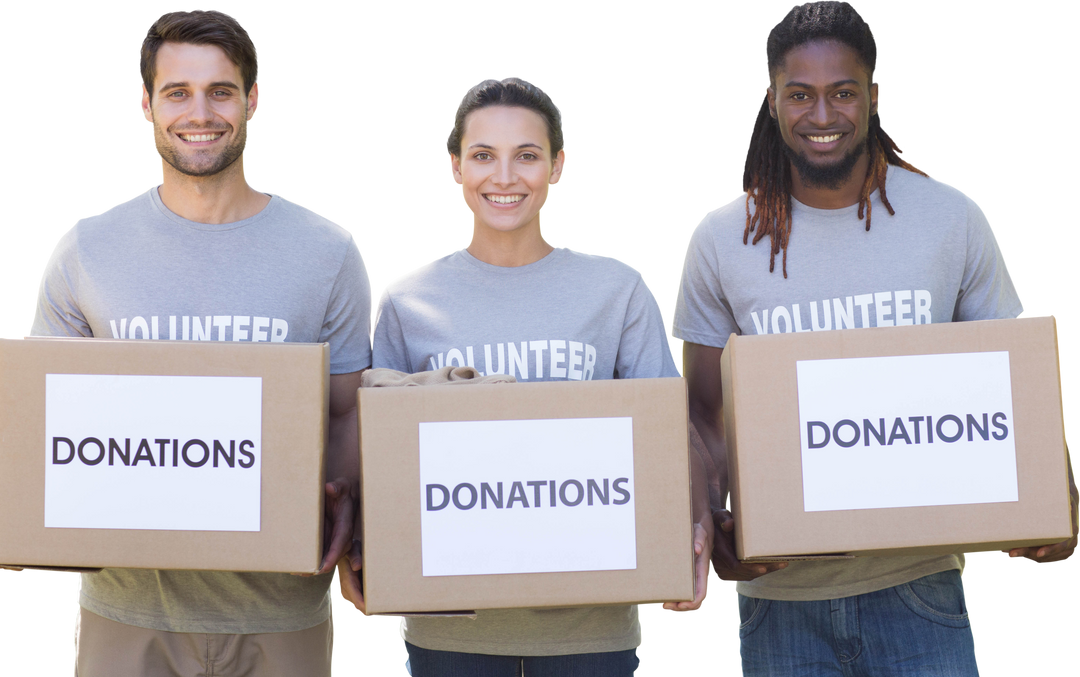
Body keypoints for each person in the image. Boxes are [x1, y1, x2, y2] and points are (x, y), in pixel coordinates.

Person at [670, 1, 1079, 675]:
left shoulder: (950, 218)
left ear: (875, 97)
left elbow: (1019, 381)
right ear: (771, 101)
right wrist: (712, 524)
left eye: (843, 93)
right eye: (800, 95)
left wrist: (1057, 497)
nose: (822, 116)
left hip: (919, 587)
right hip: (780, 598)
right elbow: (701, 415)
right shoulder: (721, 238)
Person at [28, 8, 370, 676]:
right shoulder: (87, 248)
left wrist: (355, 521)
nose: (200, 112)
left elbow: (350, 409)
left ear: (254, 100)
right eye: (177, 92)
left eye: (221, 90)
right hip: (127, 610)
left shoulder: (327, 250)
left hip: (282, 611)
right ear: (146, 103)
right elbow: (42, 418)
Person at [354, 75, 713, 676]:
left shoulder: (616, 289)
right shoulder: (406, 300)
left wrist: (690, 542)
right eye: (483, 156)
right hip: (452, 632)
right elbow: (379, 460)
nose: (504, 177)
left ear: (558, 166)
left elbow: (668, 437)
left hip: (589, 629)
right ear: (454, 169)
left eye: (526, 156)